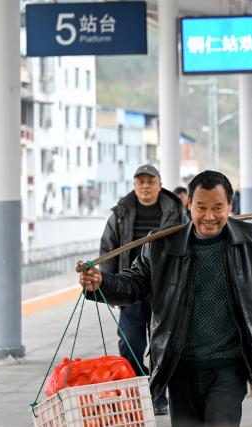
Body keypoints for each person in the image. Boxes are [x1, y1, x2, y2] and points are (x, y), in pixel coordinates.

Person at [80, 170, 252, 427]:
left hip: (229, 365)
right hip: (179, 365)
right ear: (189, 205)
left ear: (230, 205)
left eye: (218, 207)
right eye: (201, 207)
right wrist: (102, 283)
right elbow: (135, 283)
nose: (209, 216)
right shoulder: (161, 244)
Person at [98, 164, 184, 415]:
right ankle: (136, 392)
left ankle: (158, 395)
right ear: (135, 185)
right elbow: (108, 249)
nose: (145, 186)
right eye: (140, 182)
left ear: (160, 183)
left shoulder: (176, 212)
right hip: (130, 288)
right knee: (129, 343)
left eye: (150, 181)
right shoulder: (121, 213)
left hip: (164, 290)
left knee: (162, 345)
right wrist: (109, 287)